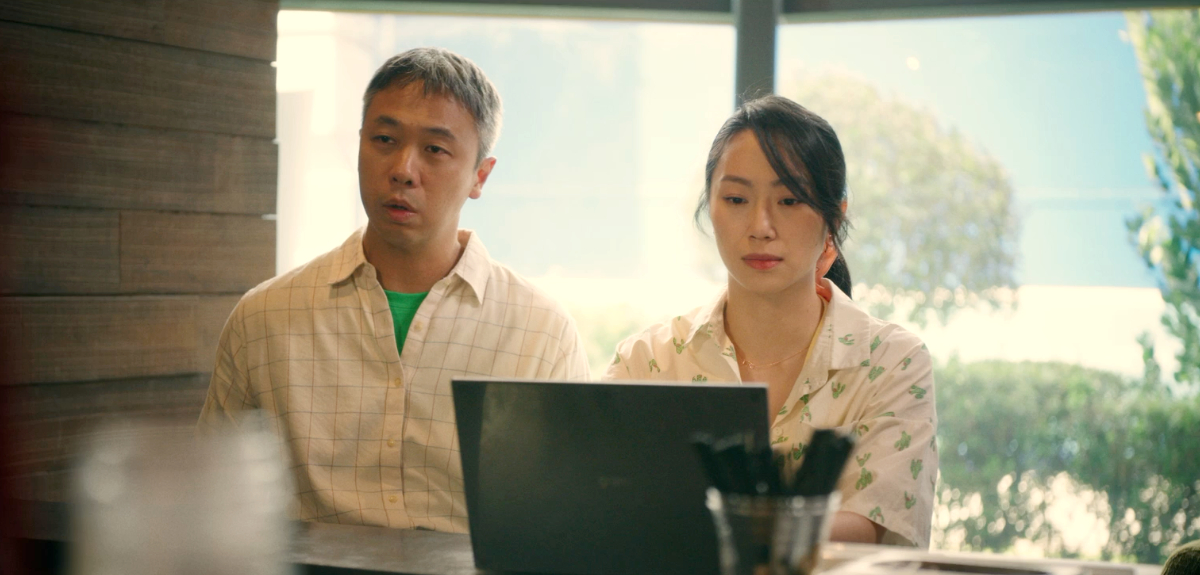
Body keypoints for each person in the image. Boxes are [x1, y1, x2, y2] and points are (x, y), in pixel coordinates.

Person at [199, 48, 590, 534]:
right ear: (359, 145)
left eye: (435, 149)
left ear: (480, 176)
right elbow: (213, 504)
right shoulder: (265, 318)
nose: (403, 169)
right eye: (384, 139)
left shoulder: (541, 332)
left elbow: (569, 520)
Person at [605, 95, 937, 547]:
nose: (760, 226)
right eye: (736, 199)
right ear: (710, 207)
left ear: (833, 218)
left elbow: (867, 528)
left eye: (789, 199)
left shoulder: (892, 362)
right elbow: (602, 506)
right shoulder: (647, 361)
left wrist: (719, 527)